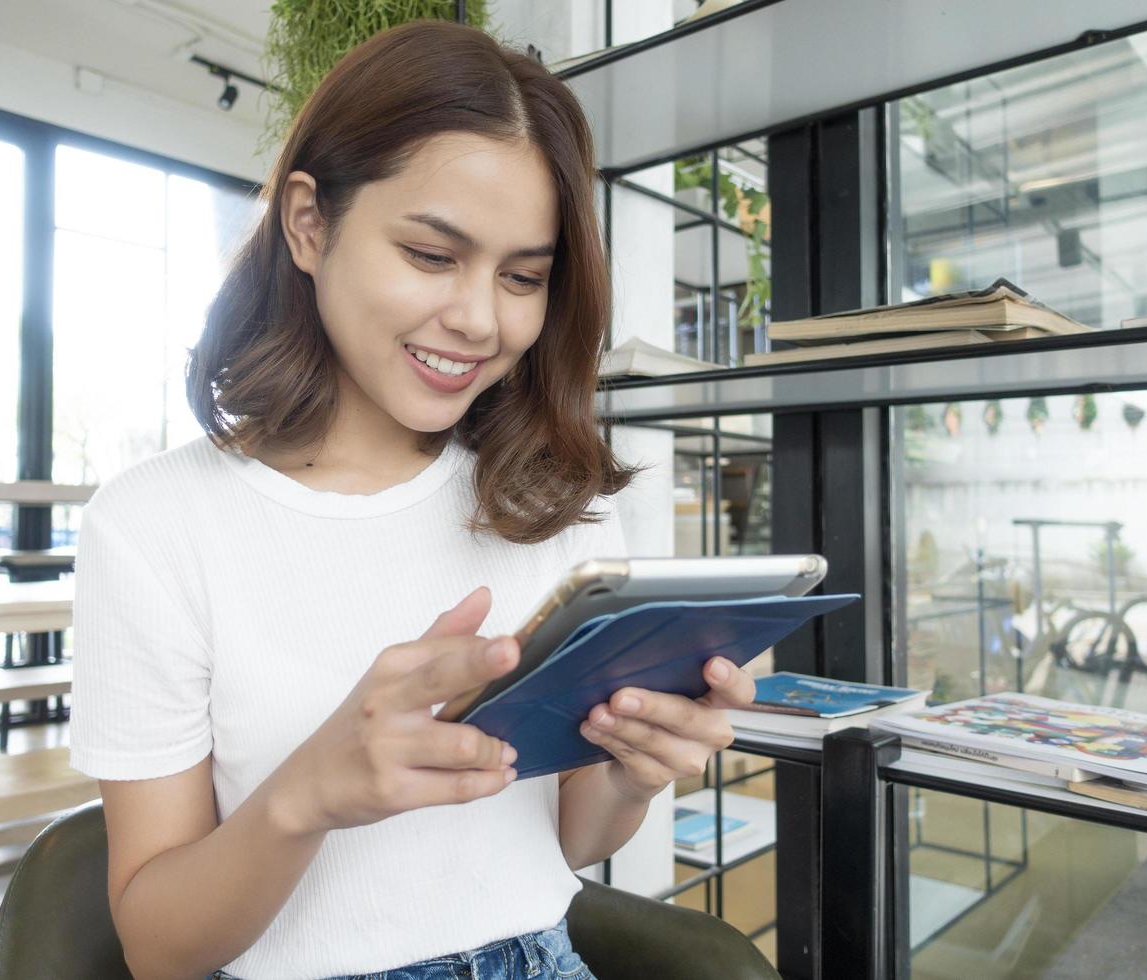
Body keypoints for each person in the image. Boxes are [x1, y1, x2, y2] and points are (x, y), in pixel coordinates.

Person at [68, 19, 756, 980]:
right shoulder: (155, 526)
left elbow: (563, 845)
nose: (481, 319)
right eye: (433, 256)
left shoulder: (554, 503)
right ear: (310, 224)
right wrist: (308, 793)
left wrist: (635, 770)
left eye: (523, 277)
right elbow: (157, 946)